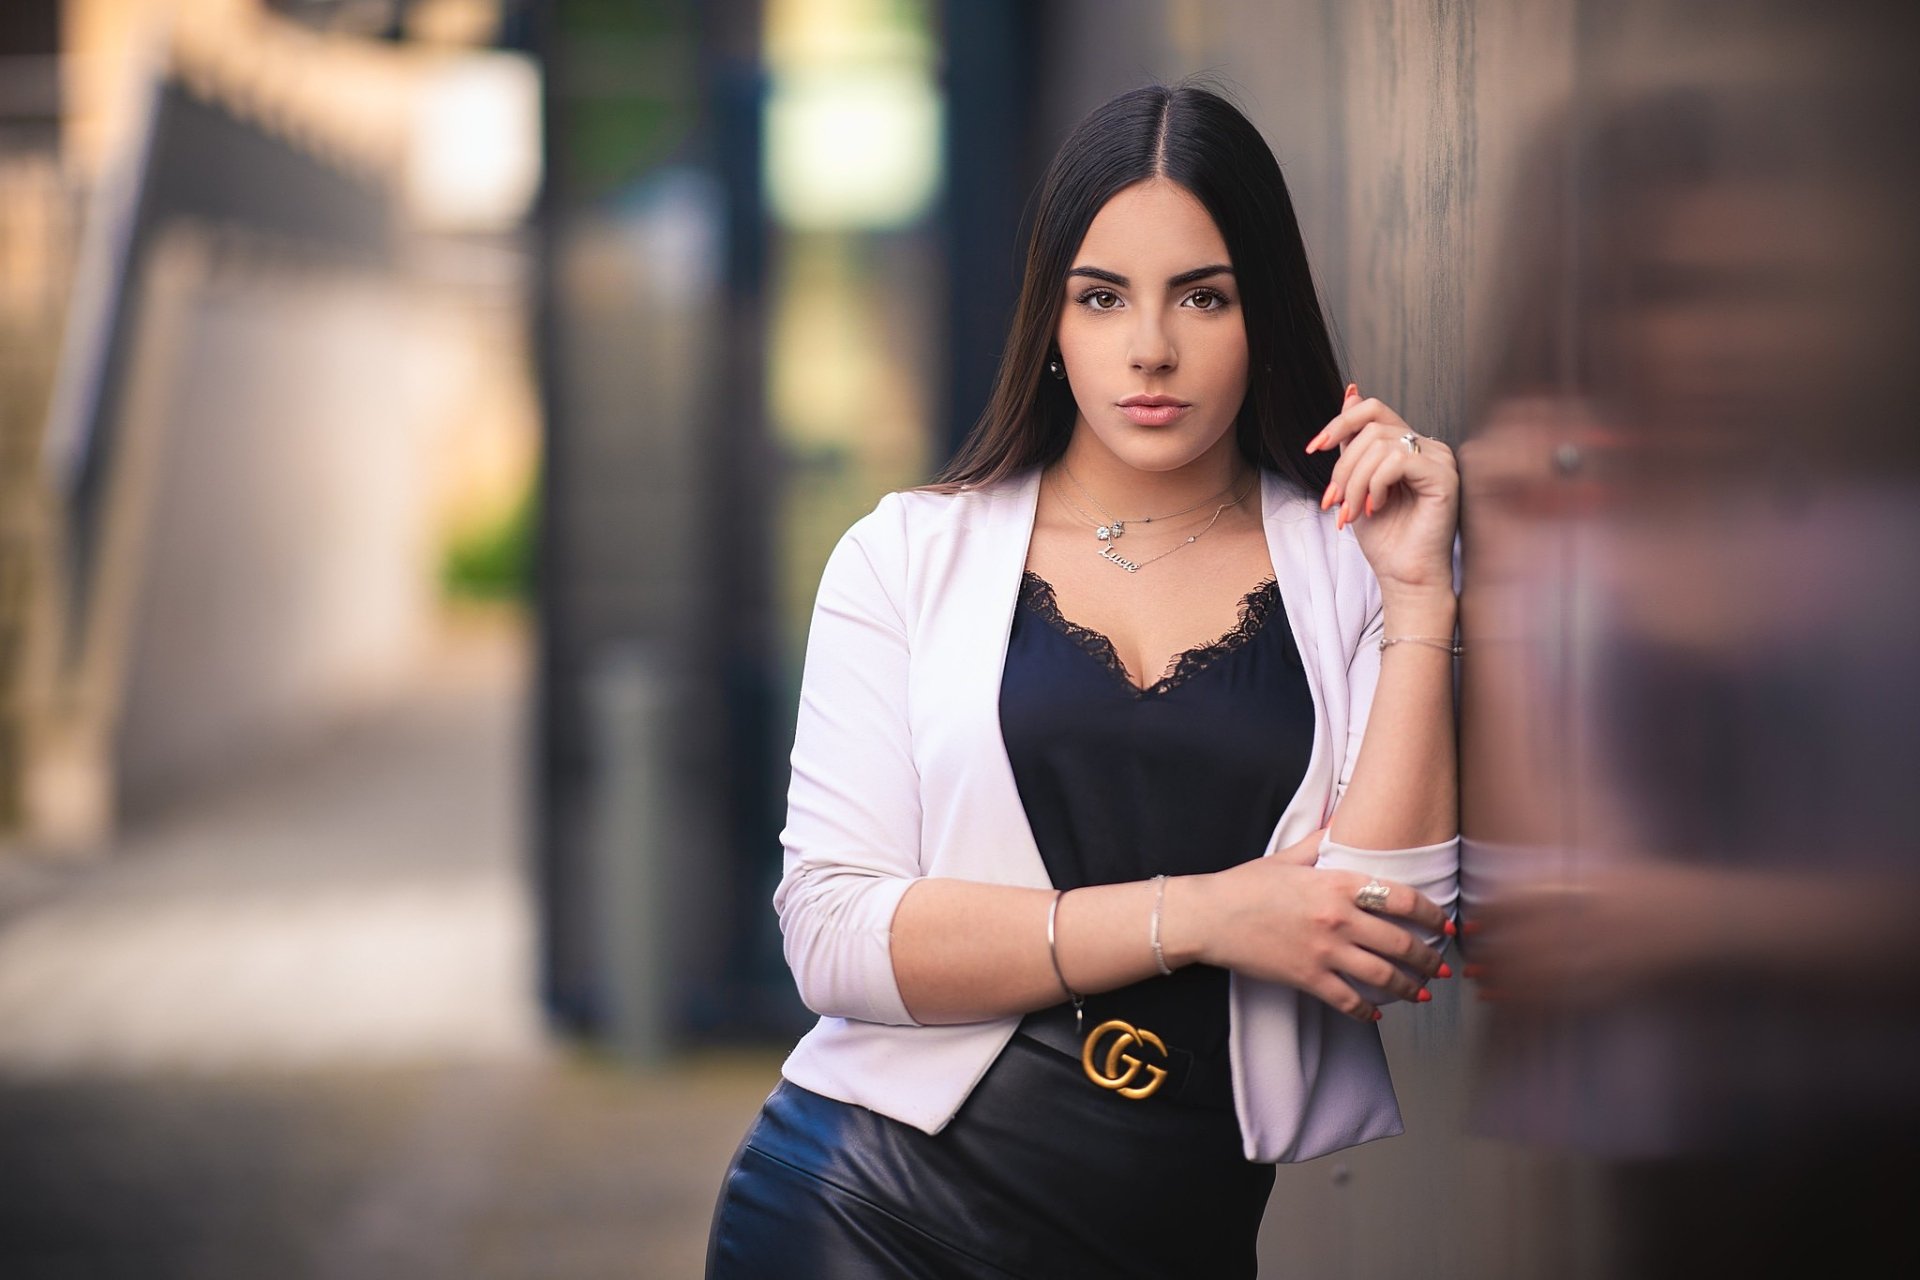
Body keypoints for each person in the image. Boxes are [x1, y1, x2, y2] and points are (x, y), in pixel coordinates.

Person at [706, 80, 1461, 1280]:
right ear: (1048, 323)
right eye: (1100, 297)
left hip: (1174, 1238)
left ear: (1261, 310)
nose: (1148, 348)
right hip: (870, 1215)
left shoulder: (1353, 567)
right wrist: (1210, 912)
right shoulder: (905, 557)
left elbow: (1385, 938)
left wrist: (1423, 600)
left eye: (1202, 296)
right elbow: (836, 934)